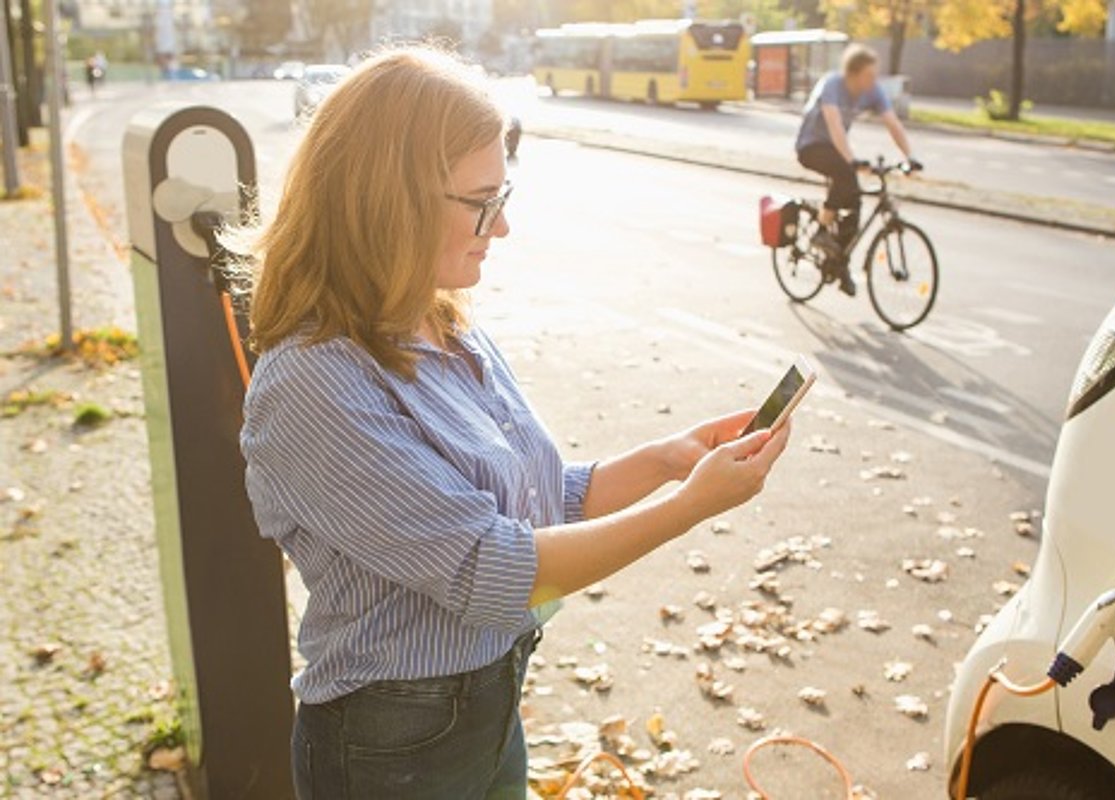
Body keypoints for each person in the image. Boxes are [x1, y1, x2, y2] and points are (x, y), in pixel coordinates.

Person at [239, 46, 793, 800]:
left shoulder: (439, 320)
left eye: (503, 196)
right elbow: (494, 569)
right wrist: (691, 504)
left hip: (487, 705)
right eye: (482, 201)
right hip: (390, 745)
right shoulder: (312, 381)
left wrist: (666, 460)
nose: (501, 228)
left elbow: (535, 500)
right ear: (386, 199)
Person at [795, 44, 920, 296]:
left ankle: (839, 262)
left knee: (855, 201)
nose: (873, 80)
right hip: (811, 146)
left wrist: (910, 157)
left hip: (838, 151)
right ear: (852, 73)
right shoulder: (832, 84)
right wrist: (852, 160)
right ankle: (820, 232)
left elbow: (892, 123)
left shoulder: (873, 91)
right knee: (845, 174)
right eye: (868, 75)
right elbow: (834, 124)